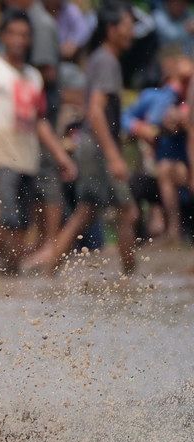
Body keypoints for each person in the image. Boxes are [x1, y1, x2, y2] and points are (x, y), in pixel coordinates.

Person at [23, 2, 139, 275]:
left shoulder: (101, 58)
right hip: (99, 148)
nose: (131, 32)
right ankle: (131, 281)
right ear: (111, 30)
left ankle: (50, 273)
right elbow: (96, 111)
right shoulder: (107, 60)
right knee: (127, 212)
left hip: (91, 146)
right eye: (127, 26)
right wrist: (113, 156)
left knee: (86, 211)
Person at [0, 11, 76, 274]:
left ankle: (1, 273)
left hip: (28, 157)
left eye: (25, 35)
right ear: (3, 36)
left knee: (22, 222)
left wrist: (61, 156)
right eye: (15, 33)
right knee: (9, 218)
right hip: (0, 154)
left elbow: (40, 122)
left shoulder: (33, 76)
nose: (20, 40)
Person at [122, 51, 192, 245]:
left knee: (167, 170)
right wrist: (140, 128)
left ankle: (174, 231)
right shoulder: (153, 97)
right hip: (156, 170)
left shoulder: (189, 101)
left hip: (184, 171)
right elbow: (124, 117)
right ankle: (141, 235)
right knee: (139, 178)